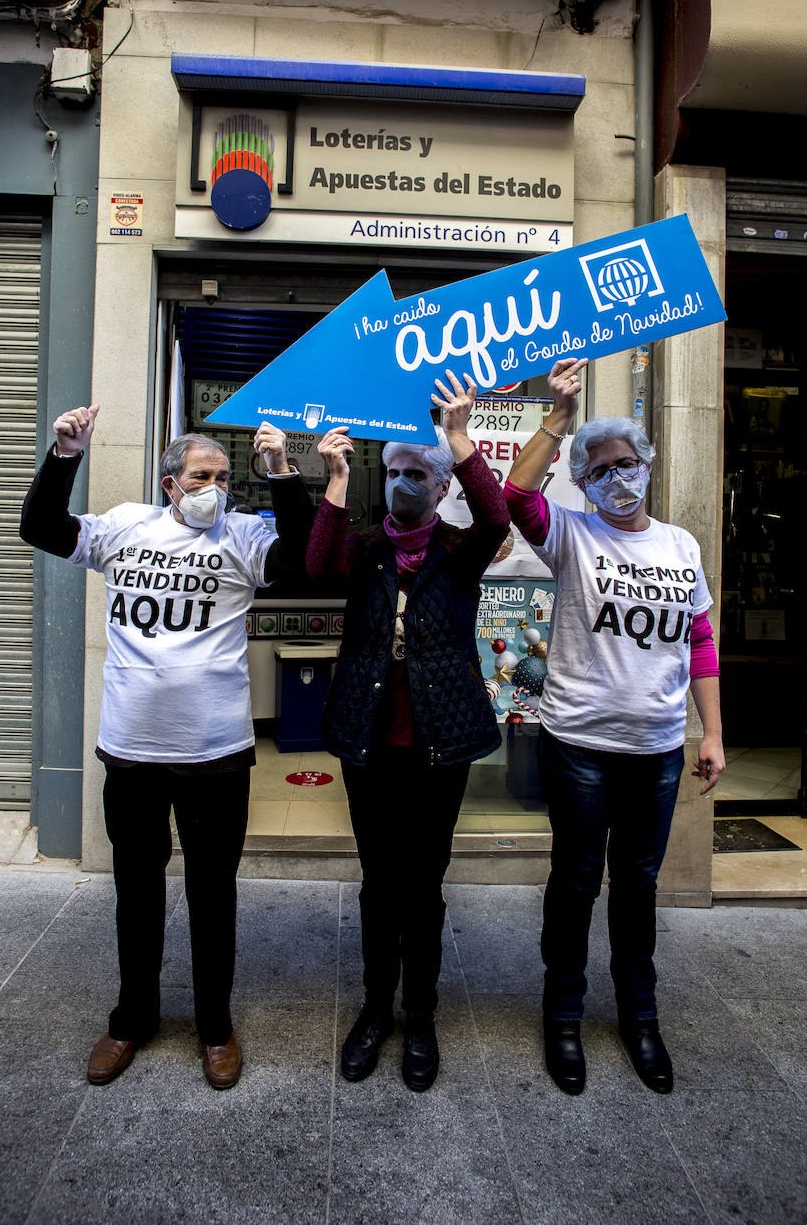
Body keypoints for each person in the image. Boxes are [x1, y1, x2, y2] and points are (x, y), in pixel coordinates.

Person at [19, 405, 312, 1089]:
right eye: (201, 476)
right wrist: (65, 455)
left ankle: (216, 1026)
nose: (215, 487)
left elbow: (300, 564)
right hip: (132, 750)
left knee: (213, 893)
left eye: (223, 477)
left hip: (215, 754)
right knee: (136, 889)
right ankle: (133, 1018)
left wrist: (281, 473)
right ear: (170, 482)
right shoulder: (126, 525)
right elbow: (40, 527)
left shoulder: (242, 534)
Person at [505, 357, 724, 1097]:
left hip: (658, 750)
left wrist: (712, 733)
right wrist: (558, 419)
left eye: (627, 464)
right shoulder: (570, 535)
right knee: (575, 881)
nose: (617, 478)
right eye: (599, 471)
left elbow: (699, 640)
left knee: (637, 884)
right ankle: (562, 1016)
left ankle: (640, 1017)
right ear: (584, 483)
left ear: (648, 466)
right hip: (580, 747)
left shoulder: (680, 547)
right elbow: (513, 494)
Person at [309, 370, 509, 1092]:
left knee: (423, 886)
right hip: (368, 740)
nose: (403, 482)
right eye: (392, 470)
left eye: (416, 472)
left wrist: (459, 440)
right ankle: (374, 1012)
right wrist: (333, 479)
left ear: (441, 482)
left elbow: (497, 521)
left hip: (439, 742)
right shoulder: (362, 549)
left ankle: (418, 1015)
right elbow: (315, 564)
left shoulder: (461, 550)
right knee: (377, 883)